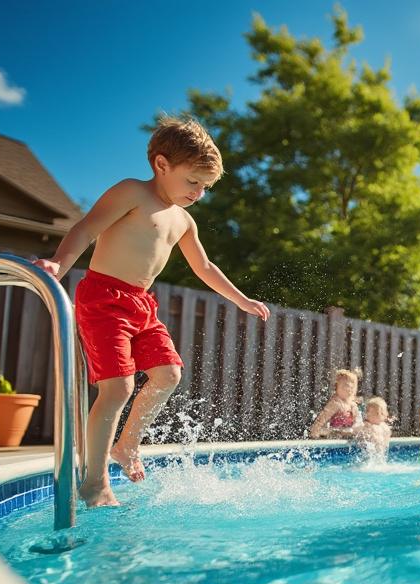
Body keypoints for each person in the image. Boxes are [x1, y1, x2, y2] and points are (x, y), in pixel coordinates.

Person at [34, 117, 270, 507]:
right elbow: (87, 228)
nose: (199, 193)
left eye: (205, 186)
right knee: (118, 388)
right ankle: (95, 483)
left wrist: (241, 299)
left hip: (143, 305)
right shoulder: (131, 192)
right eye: (193, 181)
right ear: (162, 165)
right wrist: (60, 264)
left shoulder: (183, 220)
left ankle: (127, 444)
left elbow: (205, 268)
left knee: (168, 374)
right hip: (104, 298)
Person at [309, 368, 363, 439]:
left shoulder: (353, 405)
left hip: (347, 437)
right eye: (345, 385)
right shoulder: (335, 403)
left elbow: (358, 423)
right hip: (335, 437)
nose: (349, 388)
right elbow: (321, 420)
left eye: (352, 386)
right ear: (336, 387)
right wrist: (314, 433)